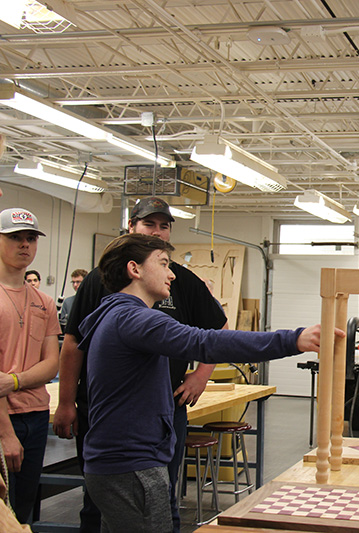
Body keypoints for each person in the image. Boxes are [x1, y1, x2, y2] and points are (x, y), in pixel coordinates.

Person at [79, 233, 340, 533]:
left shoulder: (114, 315)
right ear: (134, 269)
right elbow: (206, 341)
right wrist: (293, 339)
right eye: (163, 263)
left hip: (115, 465)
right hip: (132, 468)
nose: (172, 273)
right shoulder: (134, 319)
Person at [52, 197, 226, 533]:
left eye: (164, 226)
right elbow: (73, 344)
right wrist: (65, 402)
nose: (158, 232)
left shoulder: (181, 280)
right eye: (150, 225)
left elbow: (217, 331)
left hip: (165, 408)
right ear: (131, 227)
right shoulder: (99, 281)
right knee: (96, 501)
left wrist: (201, 376)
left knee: (161, 495)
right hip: (103, 409)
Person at [0, 208, 60, 523]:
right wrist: (6, 433)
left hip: (35, 417)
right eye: (14, 237)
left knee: (22, 511)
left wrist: (13, 381)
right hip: (3, 419)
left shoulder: (44, 302)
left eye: (30, 238)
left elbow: (51, 365)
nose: (24, 244)